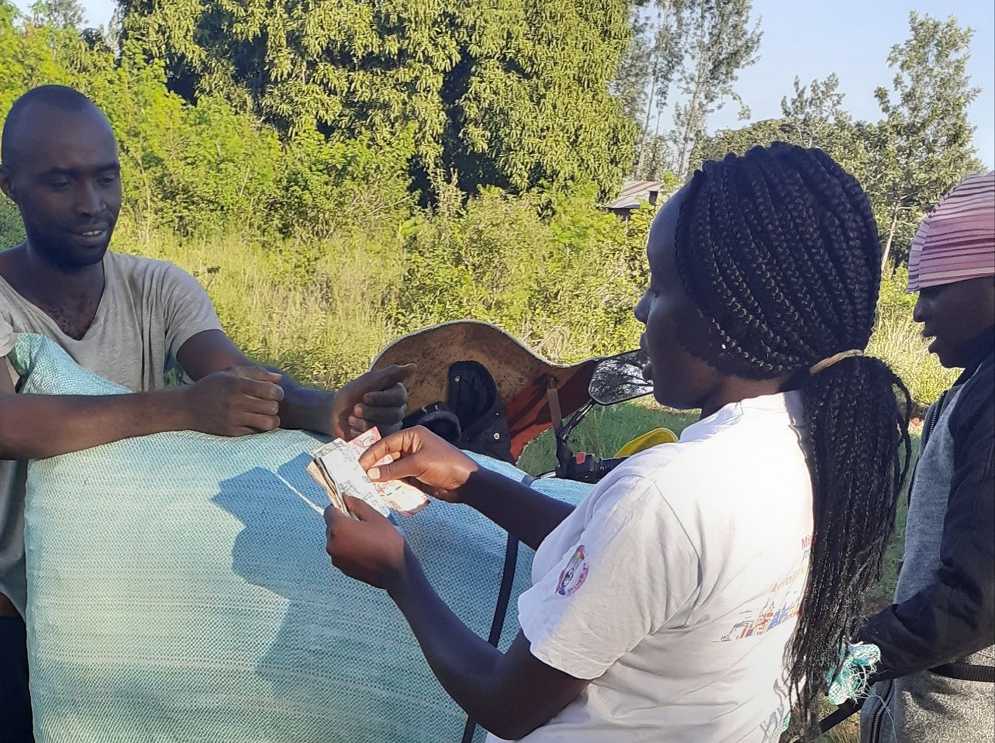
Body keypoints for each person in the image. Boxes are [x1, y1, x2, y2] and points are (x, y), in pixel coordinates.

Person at [323, 142, 913, 741]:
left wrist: (397, 570)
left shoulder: (669, 493)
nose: (640, 310)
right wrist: (476, 482)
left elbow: (505, 703)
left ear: (728, 323)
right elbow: (633, 556)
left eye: (658, 288)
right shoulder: (812, 447)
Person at [0, 84, 410, 743]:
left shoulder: (158, 287)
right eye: (61, 182)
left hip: (115, 598)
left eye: (106, 177)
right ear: (8, 184)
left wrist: (325, 409)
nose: (92, 205)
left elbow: (233, 377)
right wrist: (182, 407)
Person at [858, 171, 995, 742]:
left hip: (954, 709)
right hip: (918, 687)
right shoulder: (973, 388)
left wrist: (850, 658)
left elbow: (975, 598)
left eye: (934, 290)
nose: (918, 312)